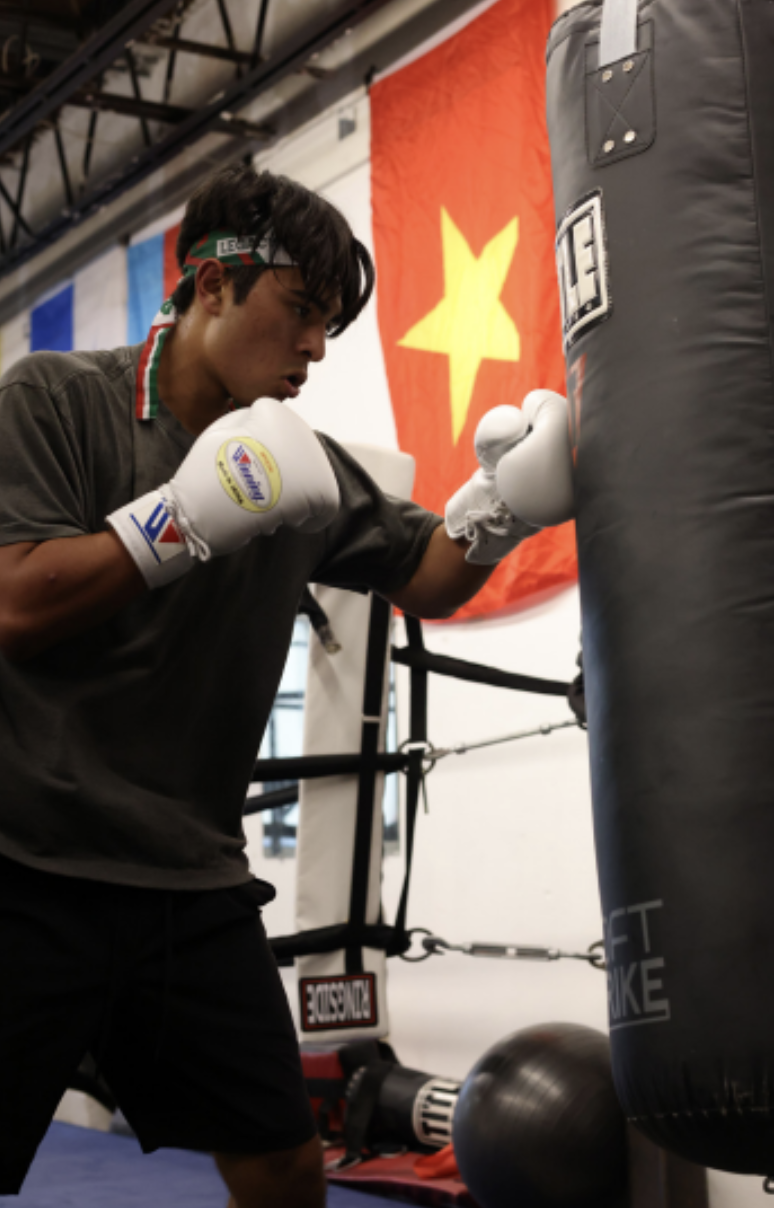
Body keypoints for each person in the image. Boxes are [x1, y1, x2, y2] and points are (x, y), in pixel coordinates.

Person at [0, 163, 572, 1206]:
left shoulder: (294, 461)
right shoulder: (54, 401)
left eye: (328, 326)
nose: (314, 347)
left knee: (280, 1159)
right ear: (210, 285)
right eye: (300, 311)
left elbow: (431, 570)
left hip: (186, 884)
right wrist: (184, 517)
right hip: (26, 864)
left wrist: (505, 506)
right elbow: (17, 602)